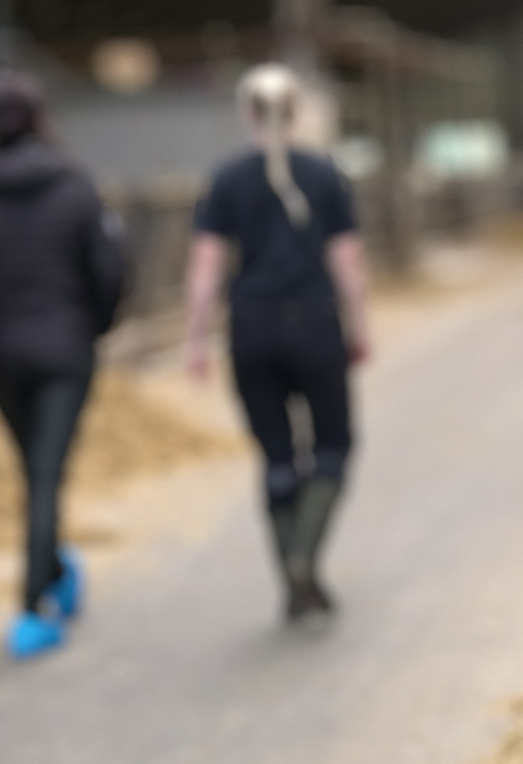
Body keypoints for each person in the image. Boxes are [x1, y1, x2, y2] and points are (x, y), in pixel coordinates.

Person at [0, 73, 125, 658]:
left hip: (4, 357)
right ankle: (33, 603)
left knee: (35, 471)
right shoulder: (73, 184)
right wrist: (96, 326)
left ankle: (52, 567)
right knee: (45, 475)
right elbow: (111, 268)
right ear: (42, 117)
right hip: (67, 351)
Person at [184, 63, 370, 621]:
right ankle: (304, 558)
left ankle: (290, 574)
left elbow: (206, 266)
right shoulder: (324, 173)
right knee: (333, 447)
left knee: (277, 456)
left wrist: (196, 339)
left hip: (251, 327)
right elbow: (348, 260)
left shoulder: (225, 178)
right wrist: (359, 325)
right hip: (314, 323)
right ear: (294, 112)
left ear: (247, 112)